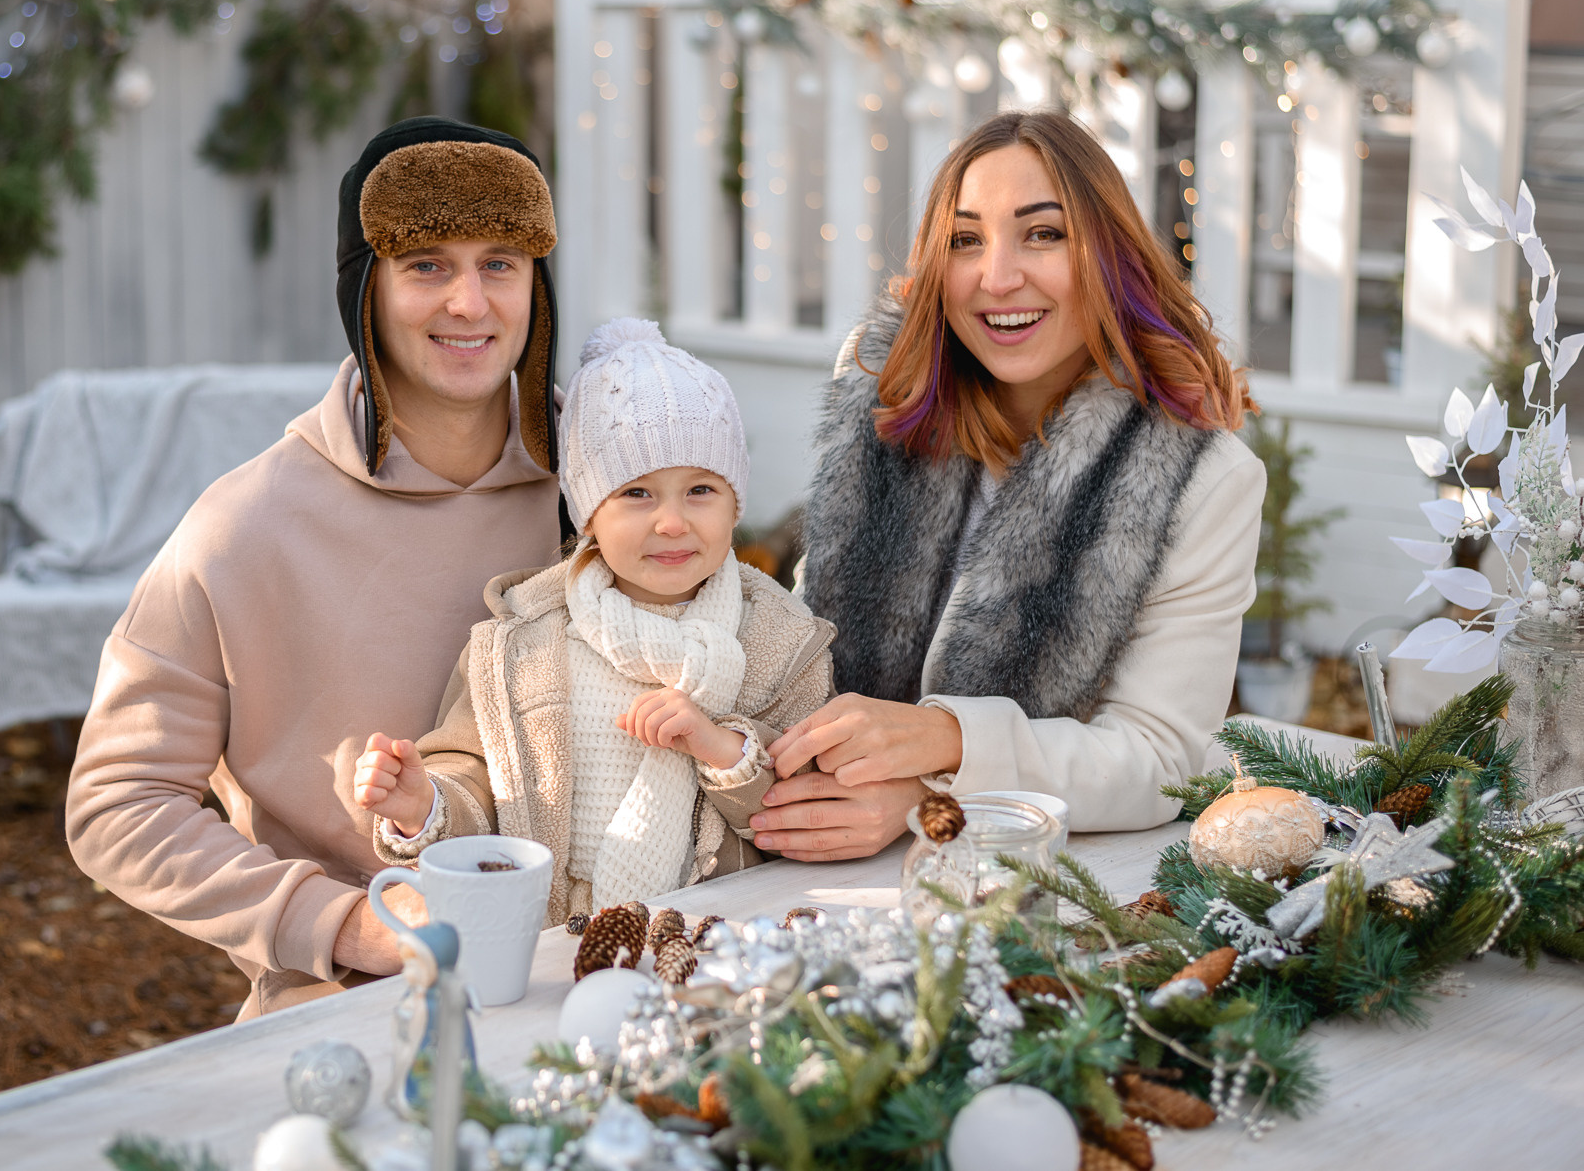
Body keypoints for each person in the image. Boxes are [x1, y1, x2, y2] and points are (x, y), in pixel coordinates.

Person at [65, 117, 568, 1018]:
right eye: (426, 266)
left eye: (500, 262)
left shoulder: (613, 490)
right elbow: (117, 800)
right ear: (364, 289)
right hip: (360, 1011)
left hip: (617, 971)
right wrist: (341, 925)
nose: (468, 302)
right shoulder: (245, 528)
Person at [752, 109, 1262, 855]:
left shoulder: (1200, 479)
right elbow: (802, 643)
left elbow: (1158, 761)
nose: (996, 278)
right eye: (965, 240)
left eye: (1043, 233)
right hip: (798, 871)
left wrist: (935, 768)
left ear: (1109, 254)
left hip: (1040, 890)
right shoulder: (883, 388)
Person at [353, 320, 835, 921]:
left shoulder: (779, 639)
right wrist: (424, 802)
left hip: (721, 940)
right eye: (637, 494)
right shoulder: (524, 640)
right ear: (588, 512)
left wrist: (719, 748)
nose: (672, 522)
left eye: (702, 490)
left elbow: (814, 801)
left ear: (736, 503)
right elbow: (481, 775)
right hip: (559, 942)